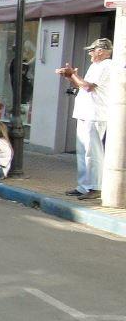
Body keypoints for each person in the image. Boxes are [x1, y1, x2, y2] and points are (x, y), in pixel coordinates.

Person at [57, 38, 113, 201]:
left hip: (96, 114)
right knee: (83, 151)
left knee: (92, 152)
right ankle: (84, 186)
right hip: (85, 113)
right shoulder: (96, 66)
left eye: (92, 50)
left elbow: (88, 86)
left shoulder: (106, 66)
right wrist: (70, 77)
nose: (89, 53)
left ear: (101, 51)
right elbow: (82, 85)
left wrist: (73, 74)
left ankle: (96, 187)